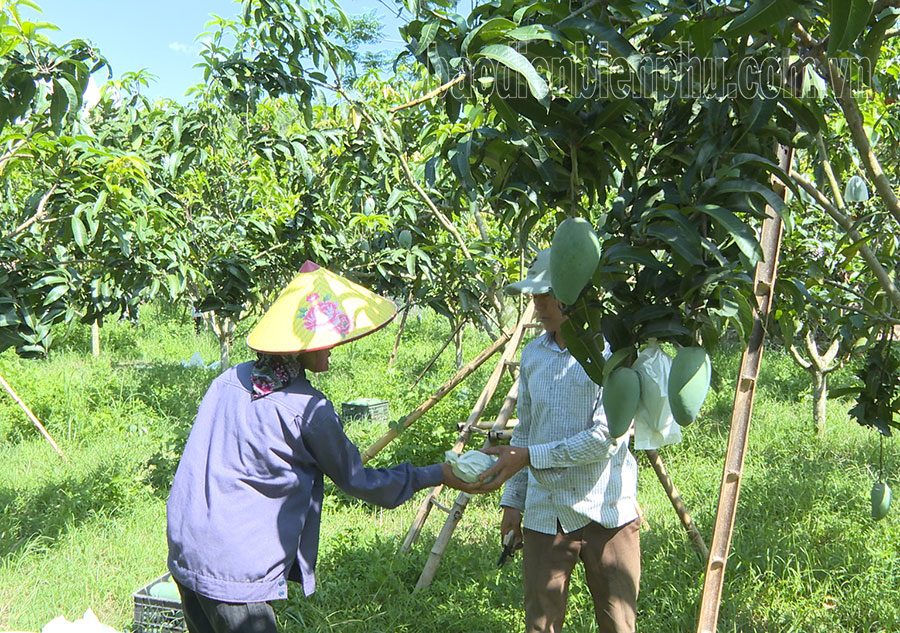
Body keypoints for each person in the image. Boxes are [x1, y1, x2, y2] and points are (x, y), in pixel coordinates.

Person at [166, 261, 477, 633]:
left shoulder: (228, 380)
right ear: (299, 348)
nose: (334, 346)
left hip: (188, 549)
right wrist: (435, 474)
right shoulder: (308, 409)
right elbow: (359, 481)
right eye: (325, 339)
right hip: (235, 568)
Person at [477, 248, 641, 633]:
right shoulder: (534, 355)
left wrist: (528, 457)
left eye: (545, 294)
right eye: (533, 295)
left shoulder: (612, 354)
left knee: (619, 623)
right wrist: (514, 500)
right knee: (541, 622)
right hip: (545, 511)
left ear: (576, 293)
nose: (537, 304)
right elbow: (526, 430)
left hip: (607, 509)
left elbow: (605, 439)